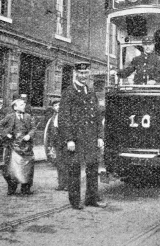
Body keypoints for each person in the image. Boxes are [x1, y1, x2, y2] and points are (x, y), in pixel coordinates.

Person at [59, 61, 106, 210]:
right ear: (76, 74)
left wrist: (100, 136)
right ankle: (75, 201)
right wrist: (69, 139)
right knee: (74, 170)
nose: (83, 76)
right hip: (76, 138)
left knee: (92, 168)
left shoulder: (90, 91)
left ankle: (91, 199)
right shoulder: (69, 92)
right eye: (80, 73)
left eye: (86, 73)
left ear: (89, 74)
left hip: (91, 137)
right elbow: (64, 118)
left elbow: (98, 116)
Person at [0, 98, 36, 196]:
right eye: (22, 104)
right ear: (15, 107)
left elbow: (33, 128)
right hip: (13, 146)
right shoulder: (10, 116)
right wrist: (6, 134)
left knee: (28, 168)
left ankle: (25, 188)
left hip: (26, 147)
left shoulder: (28, 116)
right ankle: (12, 187)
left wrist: (29, 135)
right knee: (10, 169)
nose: (24, 106)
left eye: (24, 104)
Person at [44, 98, 68, 191]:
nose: (57, 107)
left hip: (66, 143)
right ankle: (61, 184)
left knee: (66, 164)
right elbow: (50, 131)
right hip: (57, 143)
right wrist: (51, 145)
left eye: (59, 105)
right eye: (55, 106)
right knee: (59, 164)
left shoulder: (67, 116)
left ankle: (67, 184)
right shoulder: (53, 117)